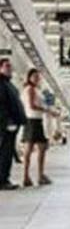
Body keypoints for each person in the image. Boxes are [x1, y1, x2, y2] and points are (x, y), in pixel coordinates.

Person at [20, 68, 51, 187]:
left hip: (35, 121)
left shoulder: (35, 89)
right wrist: (47, 110)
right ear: (29, 77)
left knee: (37, 148)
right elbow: (32, 106)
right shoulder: (31, 89)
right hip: (32, 121)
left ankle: (35, 176)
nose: (37, 78)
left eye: (38, 76)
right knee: (32, 149)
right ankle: (32, 176)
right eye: (34, 76)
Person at [0, 58, 24, 189]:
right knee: (4, 153)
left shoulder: (8, 83)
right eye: (7, 66)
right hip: (5, 124)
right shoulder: (1, 83)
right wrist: (8, 121)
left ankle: (4, 179)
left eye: (10, 66)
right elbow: (2, 105)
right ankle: (2, 181)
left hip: (12, 123)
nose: (10, 68)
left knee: (7, 152)